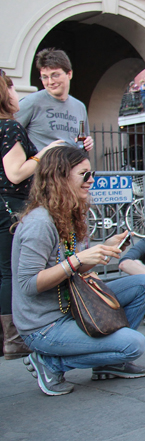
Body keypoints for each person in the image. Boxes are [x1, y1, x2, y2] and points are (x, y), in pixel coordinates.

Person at [13, 147, 145, 396]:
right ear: (59, 177)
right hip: (44, 325)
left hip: (74, 304)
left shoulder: (70, 213)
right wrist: (77, 260)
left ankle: (108, 362)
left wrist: (103, 250)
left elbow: (74, 268)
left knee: (143, 284)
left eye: (92, 173)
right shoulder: (39, 223)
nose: (91, 180)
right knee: (134, 344)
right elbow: (27, 284)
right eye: (84, 174)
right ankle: (50, 363)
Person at [0, 72, 63, 360]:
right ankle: (15, 338)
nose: (17, 95)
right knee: (10, 272)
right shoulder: (9, 127)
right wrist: (46, 151)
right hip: (11, 206)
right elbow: (15, 173)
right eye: (12, 87)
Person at [15, 48, 94, 152]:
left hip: (72, 165)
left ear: (69, 74)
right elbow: (7, 135)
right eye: (44, 77)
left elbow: (83, 140)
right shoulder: (31, 102)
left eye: (55, 75)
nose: (50, 81)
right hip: (44, 166)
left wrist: (88, 142)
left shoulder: (79, 107)